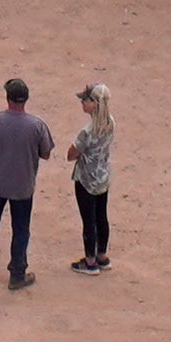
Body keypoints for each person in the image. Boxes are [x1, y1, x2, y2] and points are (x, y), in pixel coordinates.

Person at [0, 76, 58, 289]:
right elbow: (46, 153)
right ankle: (17, 274)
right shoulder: (37, 125)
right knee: (21, 229)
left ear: (7, 97)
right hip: (23, 185)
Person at [67, 82, 115, 274]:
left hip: (86, 178)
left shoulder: (87, 131)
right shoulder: (110, 122)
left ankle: (90, 261)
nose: (83, 103)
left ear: (95, 104)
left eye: (86, 101)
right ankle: (102, 255)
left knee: (89, 219)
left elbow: (71, 153)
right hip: (103, 175)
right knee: (102, 216)